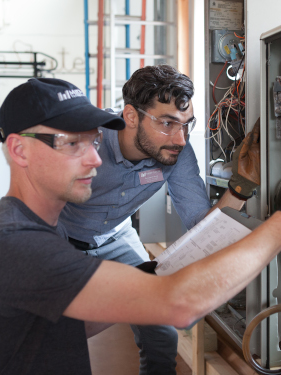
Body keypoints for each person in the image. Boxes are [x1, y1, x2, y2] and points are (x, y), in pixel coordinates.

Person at [0, 78, 281, 375]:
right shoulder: (16, 246)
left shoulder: (19, 231)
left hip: (113, 235)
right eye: (71, 143)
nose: (94, 158)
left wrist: (240, 186)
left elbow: (73, 327)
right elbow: (180, 305)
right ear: (19, 150)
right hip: (70, 235)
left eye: (93, 140)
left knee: (153, 331)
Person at [58, 64, 260, 375]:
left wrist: (242, 186)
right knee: (59, 335)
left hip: (115, 236)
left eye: (186, 125)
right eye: (167, 123)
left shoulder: (176, 154)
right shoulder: (86, 139)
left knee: (160, 330)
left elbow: (201, 224)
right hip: (61, 237)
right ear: (131, 116)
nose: (180, 139)